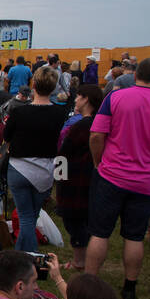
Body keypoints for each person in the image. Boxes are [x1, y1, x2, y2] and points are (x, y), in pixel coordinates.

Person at [85, 58, 150, 299]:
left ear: (136, 74)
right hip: (145, 180)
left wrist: (98, 162)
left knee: (99, 232)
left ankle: (89, 284)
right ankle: (130, 287)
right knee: (134, 236)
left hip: (111, 174)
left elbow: (97, 135)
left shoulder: (116, 97)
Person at [4, 66, 69, 251]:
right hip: (45, 169)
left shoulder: (19, 112)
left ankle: (26, 257)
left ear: (34, 85)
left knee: (27, 218)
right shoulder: (59, 114)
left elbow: (7, 136)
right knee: (30, 217)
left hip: (19, 168)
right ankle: (24, 256)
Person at [55, 85, 103, 272]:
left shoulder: (83, 126)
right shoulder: (95, 123)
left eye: (79, 96)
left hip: (75, 180)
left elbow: (64, 153)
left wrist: (59, 179)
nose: (75, 100)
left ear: (87, 100)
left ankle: (80, 260)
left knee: (75, 221)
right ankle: (83, 259)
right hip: (85, 179)